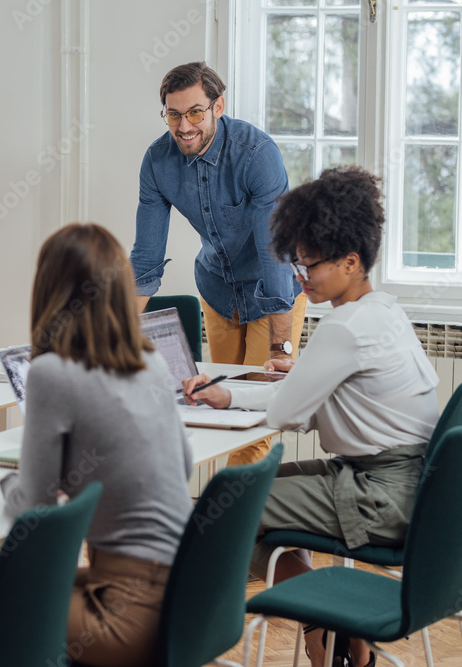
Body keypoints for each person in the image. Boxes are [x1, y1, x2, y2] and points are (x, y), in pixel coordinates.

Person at [183, 166, 439, 667]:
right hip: (408, 486)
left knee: (219, 512)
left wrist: (280, 388)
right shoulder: (383, 310)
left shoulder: (343, 327)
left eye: (309, 264)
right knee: (245, 494)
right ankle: (333, 630)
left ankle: (329, 625)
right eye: (295, 263)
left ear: (350, 260)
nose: (300, 277)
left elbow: (285, 413)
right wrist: (235, 396)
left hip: (378, 495)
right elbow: (318, 396)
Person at [0, 223, 194, 667]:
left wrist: (6, 482)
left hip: (127, 614)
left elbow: (34, 505)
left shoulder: (52, 373)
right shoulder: (149, 359)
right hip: (188, 593)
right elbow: (184, 465)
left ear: (50, 290)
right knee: (17, 595)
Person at [129, 61, 306, 466]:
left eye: (194, 112)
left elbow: (275, 252)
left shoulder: (257, 154)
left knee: (258, 416)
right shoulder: (157, 161)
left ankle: (235, 523)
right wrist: (113, 338)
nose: (183, 125)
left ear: (218, 106)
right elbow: (145, 259)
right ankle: (226, 518)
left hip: (274, 292)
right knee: (216, 405)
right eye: (173, 114)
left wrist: (282, 349)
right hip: (218, 291)